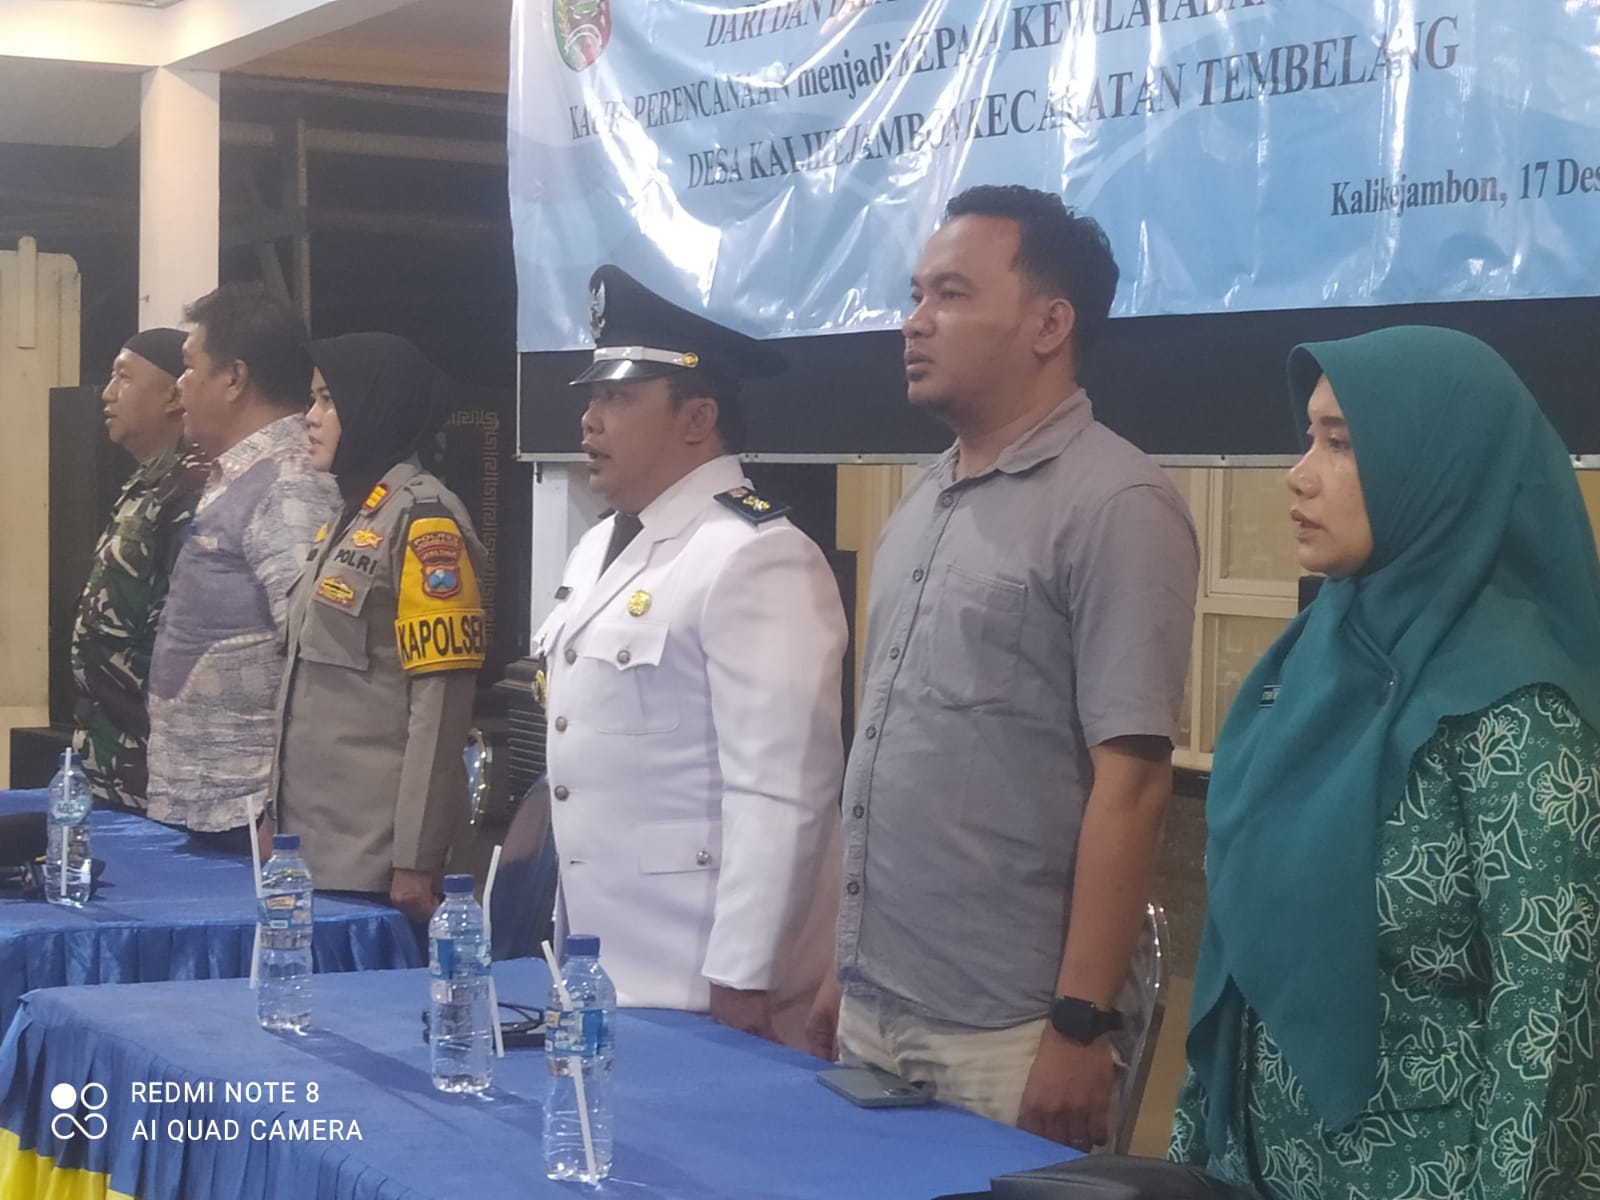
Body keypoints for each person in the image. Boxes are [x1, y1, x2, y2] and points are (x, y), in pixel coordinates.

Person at [807, 184, 1200, 1150]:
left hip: (1009, 1032)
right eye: (916, 295)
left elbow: (1134, 786)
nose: (914, 322)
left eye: (950, 294)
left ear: (1049, 325)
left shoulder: (1116, 503)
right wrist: (844, 969)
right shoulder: (925, 496)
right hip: (876, 1004)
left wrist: (1079, 1025)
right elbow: (889, 749)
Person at [1171, 327, 1600, 1199]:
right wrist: (1192, 1152)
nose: (1299, 474)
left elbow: (1548, 1020)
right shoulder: (1311, 663)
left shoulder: (1515, 709)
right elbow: (1240, 942)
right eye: (1309, 438)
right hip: (1252, 1166)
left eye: (1341, 443)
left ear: (1439, 466)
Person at [532, 265, 847, 1050]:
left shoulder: (754, 553)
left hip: (702, 982)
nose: (590, 420)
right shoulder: (600, 544)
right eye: (592, 398)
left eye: (619, 399)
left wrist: (743, 975)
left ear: (699, 417)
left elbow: (780, 790)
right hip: (602, 966)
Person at [268, 333, 483, 924]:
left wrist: (416, 857)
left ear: (374, 405)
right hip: (308, 848)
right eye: (312, 400)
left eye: (328, 400)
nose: (310, 418)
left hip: (377, 864)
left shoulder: (425, 521)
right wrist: (272, 816)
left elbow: (439, 707)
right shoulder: (351, 513)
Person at [143, 284, 339, 850]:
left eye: (189, 368)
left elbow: (313, 657)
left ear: (234, 379)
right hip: (210, 803)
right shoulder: (242, 475)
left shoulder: (290, 483)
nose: (179, 388)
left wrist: (280, 805)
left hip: (249, 815)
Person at [70, 329, 208, 811]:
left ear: (173, 395)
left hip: (155, 766)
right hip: (109, 753)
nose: (108, 393)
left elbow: (187, 633)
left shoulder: (192, 491)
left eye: (124, 377)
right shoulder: (147, 484)